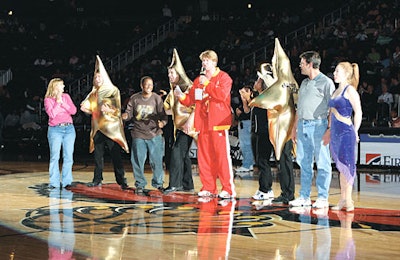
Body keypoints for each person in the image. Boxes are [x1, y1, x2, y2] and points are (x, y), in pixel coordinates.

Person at [174, 49, 235, 199]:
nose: (204, 63)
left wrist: (207, 84)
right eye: (203, 61)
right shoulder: (198, 81)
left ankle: (227, 188)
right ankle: (208, 187)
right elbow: (191, 100)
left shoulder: (224, 78)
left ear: (214, 62)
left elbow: (221, 96)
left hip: (218, 122)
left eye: (207, 60)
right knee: (204, 157)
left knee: (221, 157)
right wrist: (181, 96)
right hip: (203, 123)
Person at [289, 51, 335, 208]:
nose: (300, 66)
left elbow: (333, 109)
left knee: (322, 162)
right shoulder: (304, 83)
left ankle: (323, 197)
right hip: (303, 125)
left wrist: (329, 128)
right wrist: (295, 128)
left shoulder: (326, 82)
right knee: (304, 162)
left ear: (310, 64)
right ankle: (304, 196)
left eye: (302, 63)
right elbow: (299, 108)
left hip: (319, 125)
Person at [240, 78, 295, 204]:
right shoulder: (258, 97)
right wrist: (246, 100)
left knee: (266, 161)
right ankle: (265, 188)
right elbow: (248, 111)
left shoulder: (268, 97)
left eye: (258, 80)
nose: (255, 82)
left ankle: (268, 189)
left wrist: (250, 99)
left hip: (266, 132)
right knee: (260, 161)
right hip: (256, 131)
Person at [80, 55, 130, 189]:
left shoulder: (113, 90)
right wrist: (86, 109)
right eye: (95, 78)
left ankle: (121, 180)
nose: (97, 80)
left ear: (104, 77)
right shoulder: (93, 93)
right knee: (98, 156)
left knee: (116, 155)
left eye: (99, 77)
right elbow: (88, 106)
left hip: (111, 128)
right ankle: (97, 179)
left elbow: (118, 110)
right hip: (98, 128)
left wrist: (110, 109)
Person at [122, 76, 168, 194]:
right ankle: (140, 184)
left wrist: (162, 123)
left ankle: (158, 183)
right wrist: (125, 116)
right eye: (146, 84)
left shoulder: (156, 98)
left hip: (155, 134)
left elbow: (164, 116)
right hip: (139, 133)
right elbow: (128, 113)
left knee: (157, 161)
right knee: (137, 160)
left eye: (151, 85)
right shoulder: (135, 98)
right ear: (141, 86)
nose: (148, 87)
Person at [329, 61, 362, 212]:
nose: (334, 74)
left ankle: (348, 200)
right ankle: (343, 199)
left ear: (347, 74)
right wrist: (329, 129)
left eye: (337, 71)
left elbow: (358, 112)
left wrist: (355, 130)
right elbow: (330, 114)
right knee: (341, 168)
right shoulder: (335, 92)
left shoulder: (350, 91)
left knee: (348, 166)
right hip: (335, 133)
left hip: (346, 132)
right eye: (334, 71)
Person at [163, 48, 197, 194]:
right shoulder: (172, 91)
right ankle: (187, 184)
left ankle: (174, 184)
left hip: (189, 126)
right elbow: (167, 109)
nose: (169, 75)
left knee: (176, 152)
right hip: (179, 127)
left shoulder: (188, 87)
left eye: (172, 73)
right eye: (169, 73)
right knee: (183, 155)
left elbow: (197, 107)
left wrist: (190, 122)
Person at [44, 78, 77, 189]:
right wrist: (58, 104)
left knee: (68, 156)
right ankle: (54, 182)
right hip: (55, 130)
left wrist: (63, 103)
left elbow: (73, 111)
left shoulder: (66, 97)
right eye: (61, 85)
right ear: (55, 87)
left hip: (69, 129)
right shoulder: (48, 100)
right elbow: (52, 114)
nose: (63, 87)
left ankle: (67, 181)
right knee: (55, 156)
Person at [234, 84, 255, 174]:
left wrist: (244, 101)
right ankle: (250, 163)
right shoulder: (241, 101)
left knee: (246, 145)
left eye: (245, 91)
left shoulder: (250, 101)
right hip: (242, 123)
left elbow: (247, 111)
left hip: (247, 124)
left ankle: (246, 164)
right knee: (245, 145)